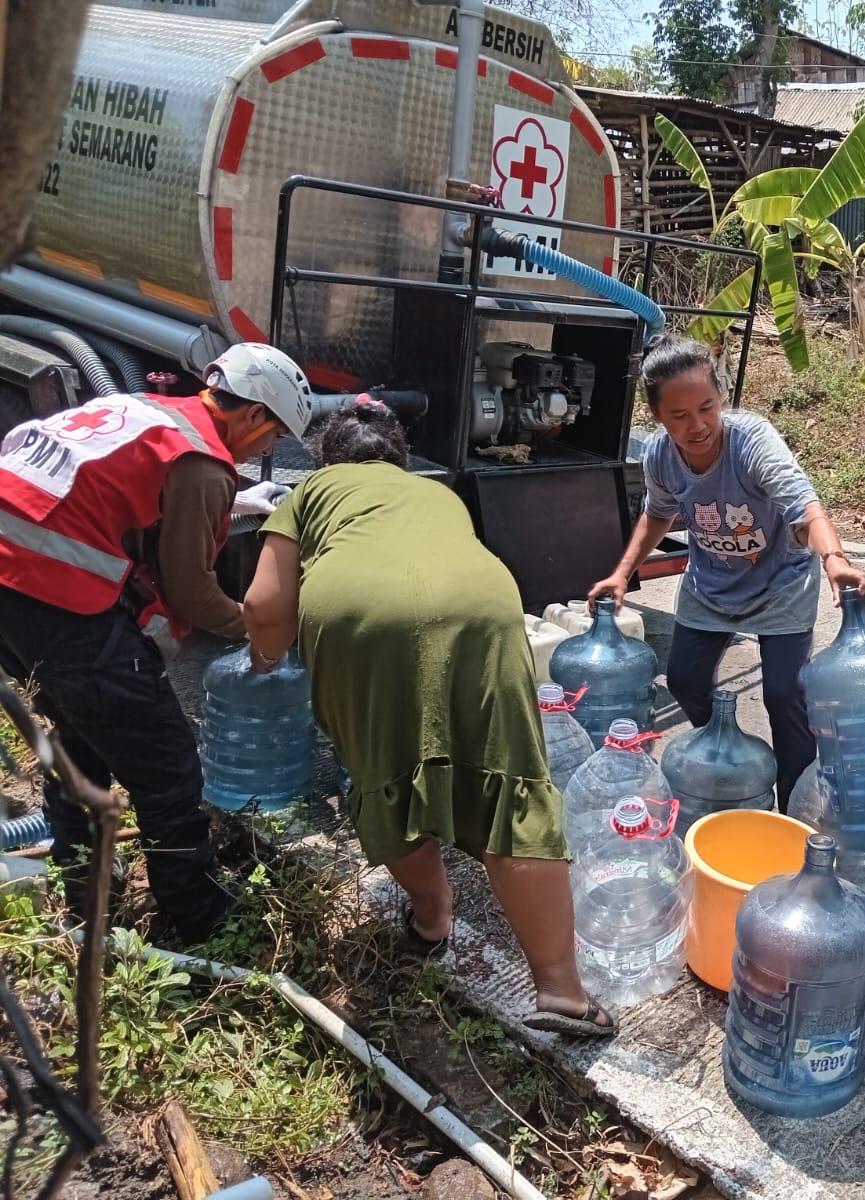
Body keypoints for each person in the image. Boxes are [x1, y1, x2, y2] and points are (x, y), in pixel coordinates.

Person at [242, 402, 614, 1037]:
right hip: (482, 605)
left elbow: (264, 604)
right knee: (508, 782)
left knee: (386, 771)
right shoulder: (435, 493)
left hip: (359, 617)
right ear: (399, 458)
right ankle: (561, 990)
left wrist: (265, 656)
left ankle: (433, 915)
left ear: (329, 459)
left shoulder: (310, 492)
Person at [0, 342, 313, 942]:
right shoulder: (202, 463)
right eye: (270, 438)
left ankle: (84, 891)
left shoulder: (150, 409)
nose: (265, 452)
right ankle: (196, 915)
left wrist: (237, 501)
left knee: (80, 739)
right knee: (166, 764)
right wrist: (262, 627)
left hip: (11, 582)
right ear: (250, 414)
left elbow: (125, 488)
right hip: (55, 598)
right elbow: (192, 594)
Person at [588, 335, 865, 812]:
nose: (697, 425)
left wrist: (834, 559)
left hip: (780, 583)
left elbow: (802, 502)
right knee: (683, 681)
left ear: (721, 398)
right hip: (711, 585)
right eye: (679, 416)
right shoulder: (659, 455)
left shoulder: (751, 441)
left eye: (707, 408)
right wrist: (621, 574)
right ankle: (724, 763)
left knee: (785, 696)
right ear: (657, 417)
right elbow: (658, 514)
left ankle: (796, 809)